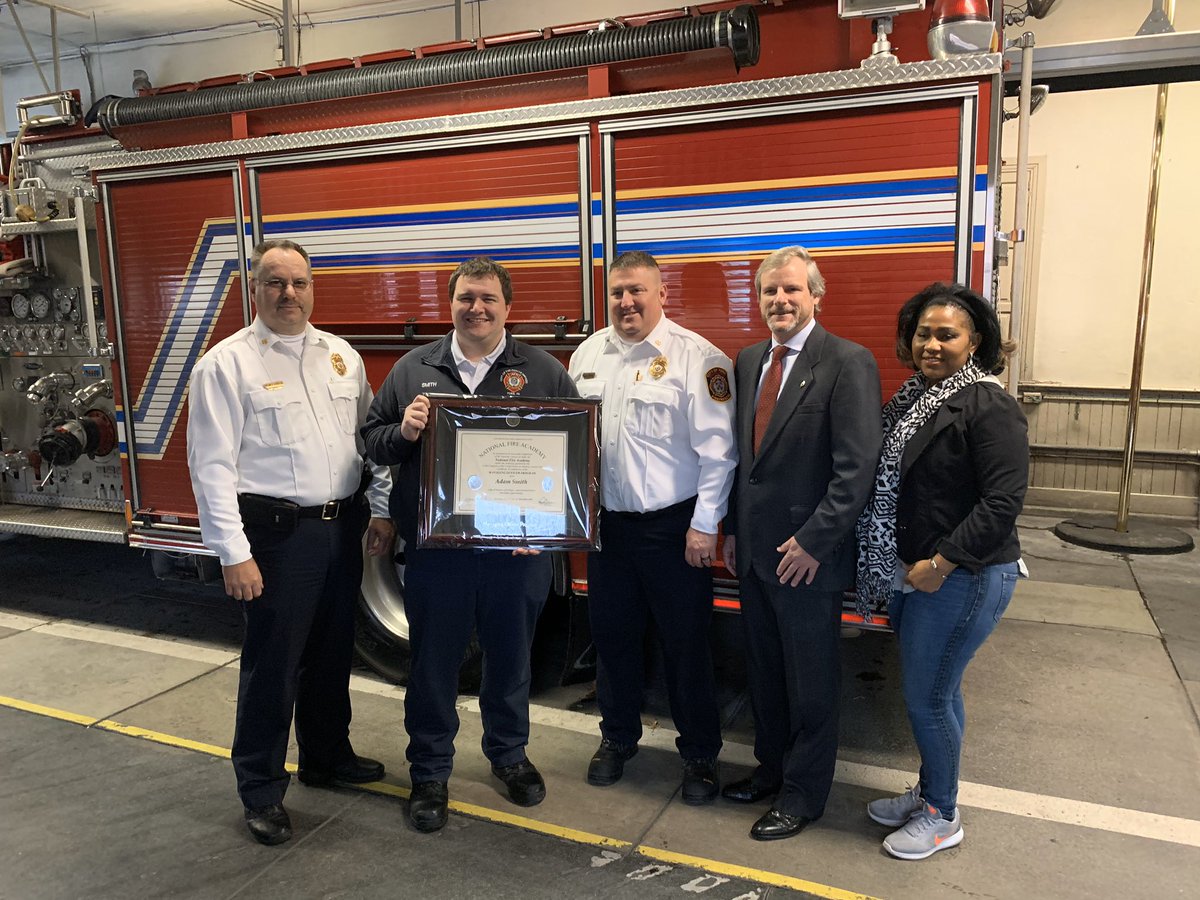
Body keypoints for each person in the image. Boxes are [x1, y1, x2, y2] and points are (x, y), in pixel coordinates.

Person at [186, 238, 394, 846]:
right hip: (274, 538)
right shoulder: (225, 365)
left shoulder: (341, 357)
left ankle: (327, 758)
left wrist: (379, 510)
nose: (288, 294)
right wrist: (234, 552)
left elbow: (366, 440)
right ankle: (261, 788)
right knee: (273, 665)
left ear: (312, 288)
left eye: (299, 282)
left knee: (332, 654)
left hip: (341, 527)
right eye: (275, 282)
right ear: (254, 290)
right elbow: (213, 468)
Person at [361, 256, 578, 834]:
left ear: (508, 307)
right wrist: (403, 430)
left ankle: (508, 756)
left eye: (487, 298)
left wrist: (551, 530)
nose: (476, 308)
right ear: (450, 304)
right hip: (438, 555)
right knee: (433, 664)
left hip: (517, 555)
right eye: (465, 298)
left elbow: (576, 456)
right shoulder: (414, 369)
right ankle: (429, 772)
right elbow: (372, 443)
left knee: (511, 659)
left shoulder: (544, 370)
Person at [856, 283, 1027, 860]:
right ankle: (932, 792)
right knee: (939, 692)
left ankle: (942, 816)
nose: (932, 344)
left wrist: (942, 562)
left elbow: (1002, 502)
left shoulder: (987, 403)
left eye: (946, 334)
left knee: (927, 699)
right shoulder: (914, 397)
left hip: (963, 575)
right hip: (917, 572)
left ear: (973, 340)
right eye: (923, 333)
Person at [720, 245, 882, 840]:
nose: (779, 301)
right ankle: (770, 770)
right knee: (764, 671)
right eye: (769, 292)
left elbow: (855, 469)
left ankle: (805, 794)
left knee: (810, 680)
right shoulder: (747, 360)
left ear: (817, 294)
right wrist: (734, 532)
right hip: (757, 553)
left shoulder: (848, 361)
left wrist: (814, 541)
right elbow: (746, 464)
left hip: (809, 558)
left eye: (791, 289)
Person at [568, 250, 736, 804]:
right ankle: (617, 739)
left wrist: (705, 526)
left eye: (637, 291)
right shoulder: (588, 355)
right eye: (617, 291)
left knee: (685, 646)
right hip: (607, 529)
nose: (626, 302)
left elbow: (719, 454)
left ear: (662, 294)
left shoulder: (698, 358)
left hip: (673, 530)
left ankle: (700, 756)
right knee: (613, 641)